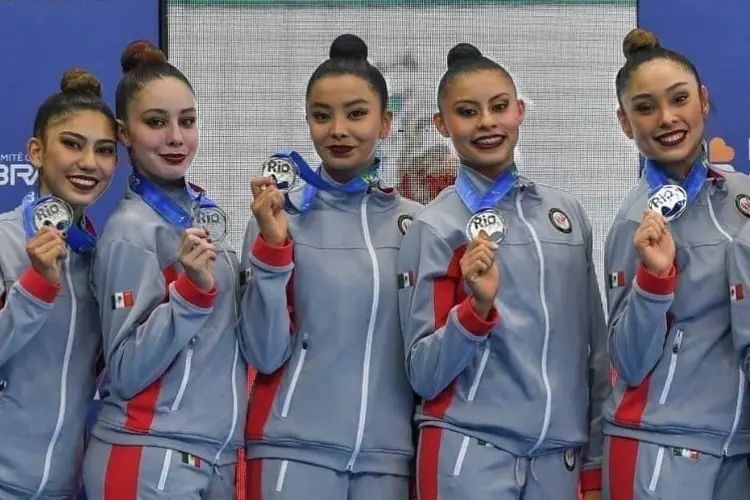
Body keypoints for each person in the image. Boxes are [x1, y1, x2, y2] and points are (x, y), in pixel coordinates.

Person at [397, 43, 608, 500]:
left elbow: (595, 350)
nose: (487, 123)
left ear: (520, 112)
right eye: (468, 112)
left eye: (499, 107)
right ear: (442, 125)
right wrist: (476, 310)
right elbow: (424, 374)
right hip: (468, 453)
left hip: (558, 459)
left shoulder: (565, 214)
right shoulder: (435, 227)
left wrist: (593, 463)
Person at [240, 33, 421, 500]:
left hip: (387, 461)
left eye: (356, 114)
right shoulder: (278, 216)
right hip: (291, 452)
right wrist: (274, 249)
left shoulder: (417, 225)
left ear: (386, 123)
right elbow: (262, 352)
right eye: (322, 116)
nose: (338, 130)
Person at [82, 41, 246, 499]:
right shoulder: (130, 230)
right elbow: (127, 370)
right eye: (156, 123)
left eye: (187, 122)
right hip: (146, 456)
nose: (176, 137)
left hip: (212, 456)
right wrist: (190, 295)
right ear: (124, 133)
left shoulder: (201, 214)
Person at [603, 28, 750, 499]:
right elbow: (627, 361)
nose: (667, 118)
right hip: (658, 450)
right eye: (645, 108)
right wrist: (654, 279)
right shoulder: (634, 223)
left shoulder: (742, 196)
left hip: (737, 453)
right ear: (626, 123)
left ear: (702, 101)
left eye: (679, 99)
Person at [0, 69, 118, 499]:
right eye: (72, 144)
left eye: (104, 150)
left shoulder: (102, 259)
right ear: (35, 151)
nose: (89, 162)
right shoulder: (2, 239)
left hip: (63, 490)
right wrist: (34, 287)